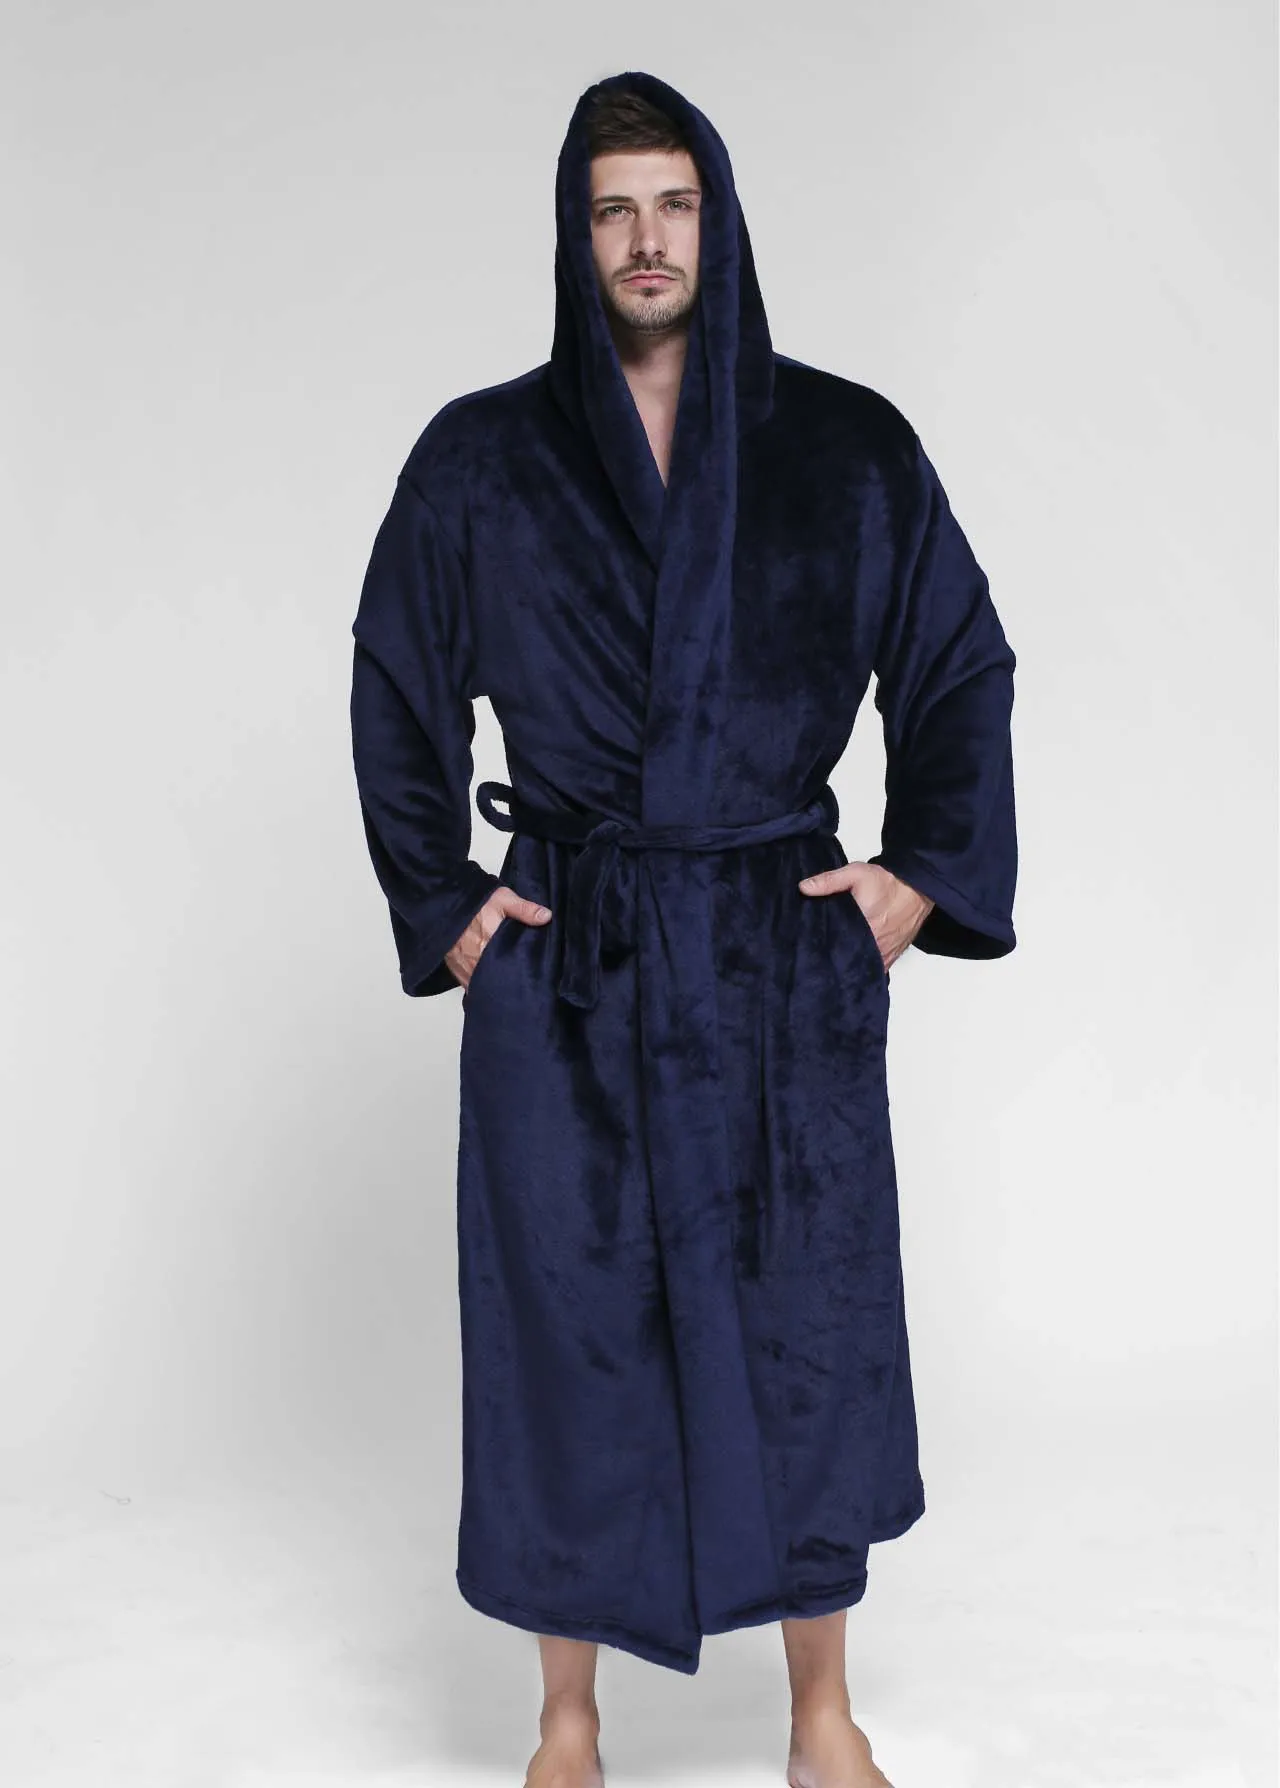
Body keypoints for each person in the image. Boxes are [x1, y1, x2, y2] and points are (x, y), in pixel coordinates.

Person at [350, 68, 1017, 1788]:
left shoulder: (845, 447)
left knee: (805, 1328)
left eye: (673, 204)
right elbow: (396, 682)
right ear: (574, 236)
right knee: (567, 1333)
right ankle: (567, 1720)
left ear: (717, 221)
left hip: (775, 957)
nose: (645, 240)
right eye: (613, 210)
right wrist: (450, 907)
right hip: (570, 957)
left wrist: (918, 875)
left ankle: (818, 1714)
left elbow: (958, 665)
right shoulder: (484, 458)